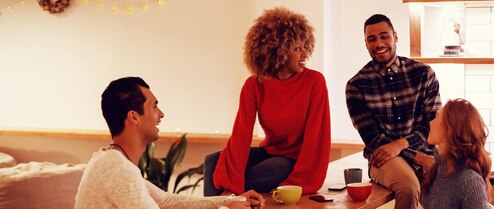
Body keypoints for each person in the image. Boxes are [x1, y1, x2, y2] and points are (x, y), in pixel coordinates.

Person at [75, 77, 265, 209]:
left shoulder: (113, 161)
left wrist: (233, 200)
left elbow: (166, 201)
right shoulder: (116, 169)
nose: (161, 114)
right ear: (133, 117)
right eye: (154, 106)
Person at [203, 7, 331, 196]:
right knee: (213, 162)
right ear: (277, 51)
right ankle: (217, 206)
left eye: (306, 46)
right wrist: (230, 183)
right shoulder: (254, 84)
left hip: (294, 160)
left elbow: (317, 138)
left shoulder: (314, 82)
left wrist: (231, 189)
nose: (305, 54)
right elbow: (241, 135)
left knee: (246, 178)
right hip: (270, 151)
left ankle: (224, 204)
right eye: (297, 48)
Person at [345, 14, 441, 209]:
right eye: (372, 39)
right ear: (366, 43)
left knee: (454, 185)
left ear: (395, 37)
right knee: (409, 187)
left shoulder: (423, 73)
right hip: (384, 158)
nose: (379, 43)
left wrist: (401, 144)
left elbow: (433, 125)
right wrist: (418, 157)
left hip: (427, 153)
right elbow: (373, 139)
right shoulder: (356, 85)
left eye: (384, 36)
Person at [421, 98, 493, 209]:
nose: (430, 123)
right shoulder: (436, 170)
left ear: (450, 129)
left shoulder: (469, 181)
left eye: (436, 118)